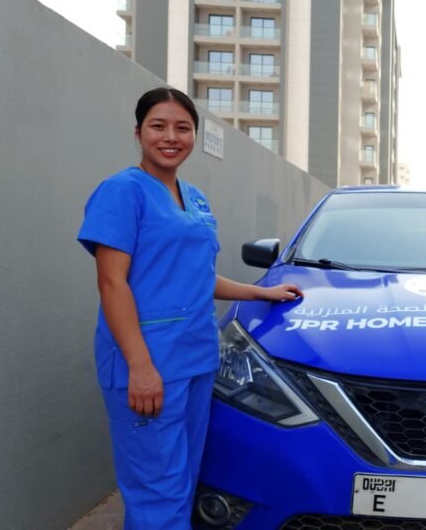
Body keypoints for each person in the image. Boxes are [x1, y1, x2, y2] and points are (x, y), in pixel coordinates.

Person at [77, 87, 302, 528]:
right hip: (148, 364)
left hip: (197, 359)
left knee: (183, 480)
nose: (171, 136)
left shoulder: (194, 197)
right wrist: (140, 366)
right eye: (158, 126)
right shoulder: (122, 192)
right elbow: (112, 282)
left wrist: (262, 293)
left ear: (194, 135)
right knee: (156, 488)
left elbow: (196, 276)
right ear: (138, 131)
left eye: (182, 127)